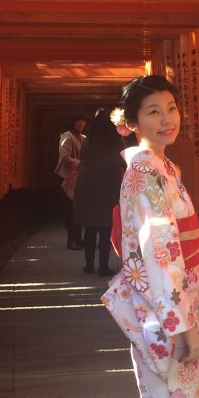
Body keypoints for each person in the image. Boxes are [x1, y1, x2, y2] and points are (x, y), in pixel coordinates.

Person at [101, 74, 199, 398]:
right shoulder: (144, 172)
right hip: (160, 311)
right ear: (132, 122)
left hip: (176, 304)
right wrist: (183, 326)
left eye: (171, 108)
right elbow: (160, 253)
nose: (167, 119)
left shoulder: (164, 167)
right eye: (153, 112)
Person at [73, 108, 125, 276]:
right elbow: (122, 162)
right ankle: (103, 266)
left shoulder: (88, 141)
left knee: (90, 227)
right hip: (108, 187)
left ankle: (89, 264)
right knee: (105, 228)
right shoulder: (116, 142)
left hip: (88, 186)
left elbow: (83, 157)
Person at [54, 112, 87, 249]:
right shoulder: (67, 136)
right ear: (72, 122)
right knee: (70, 210)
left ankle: (78, 238)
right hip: (68, 179)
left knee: (78, 210)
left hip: (80, 178)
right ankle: (71, 240)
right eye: (78, 120)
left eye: (83, 121)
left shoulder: (84, 138)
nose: (81, 124)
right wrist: (82, 164)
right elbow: (65, 157)